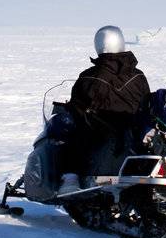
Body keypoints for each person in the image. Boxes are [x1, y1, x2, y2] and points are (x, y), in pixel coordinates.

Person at [57, 26, 151, 196]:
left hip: (100, 135)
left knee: (70, 134)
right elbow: (147, 104)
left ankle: (70, 179)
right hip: (132, 135)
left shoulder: (89, 76)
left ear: (99, 45)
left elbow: (76, 108)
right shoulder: (139, 76)